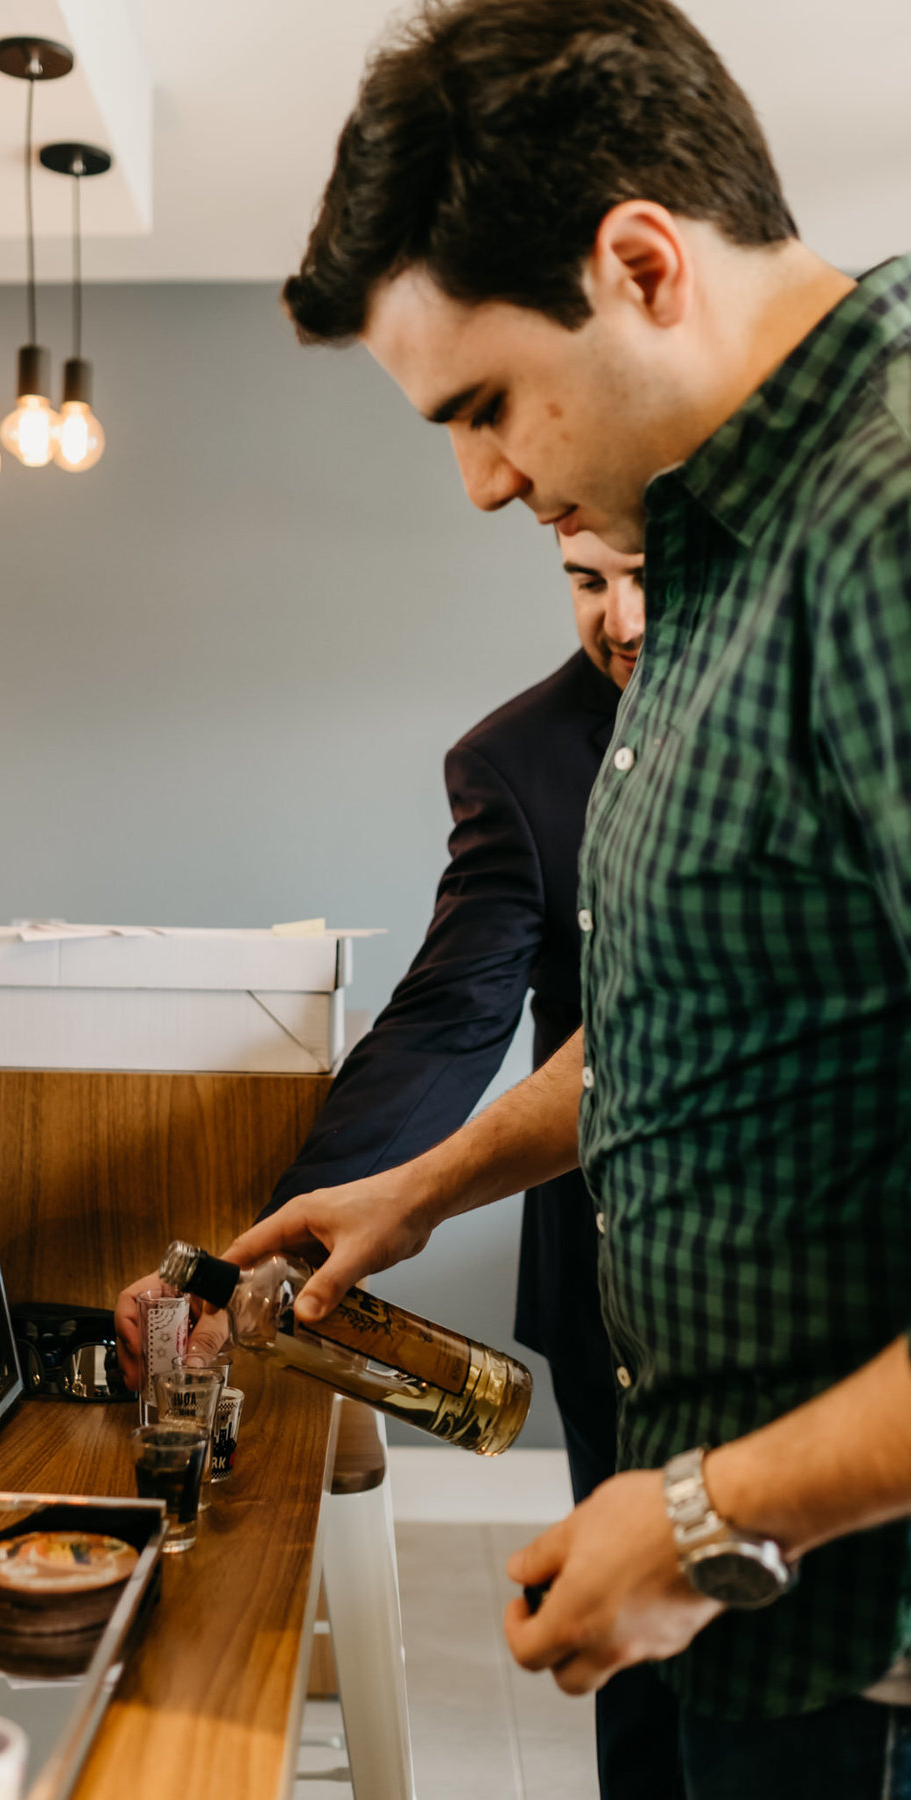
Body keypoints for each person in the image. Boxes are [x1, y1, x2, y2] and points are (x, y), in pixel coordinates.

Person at [224, 2, 911, 1792]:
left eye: (487, 405)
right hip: (758, 1620)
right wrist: (426, 1182)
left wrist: (693, 1518)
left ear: (639, 263)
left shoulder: (890, 523)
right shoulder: (709, 547)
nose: (482, 482)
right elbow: (707, 1001)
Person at [116, 530, 669, 1798]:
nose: (622, 619)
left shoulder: (803, 716)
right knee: (640, 1689)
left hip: (814, 1295)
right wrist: (254, 1256)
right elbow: (444, 1024)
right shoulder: (517, 761)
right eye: (588, 581)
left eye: (647, 573)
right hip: (611, 1289)